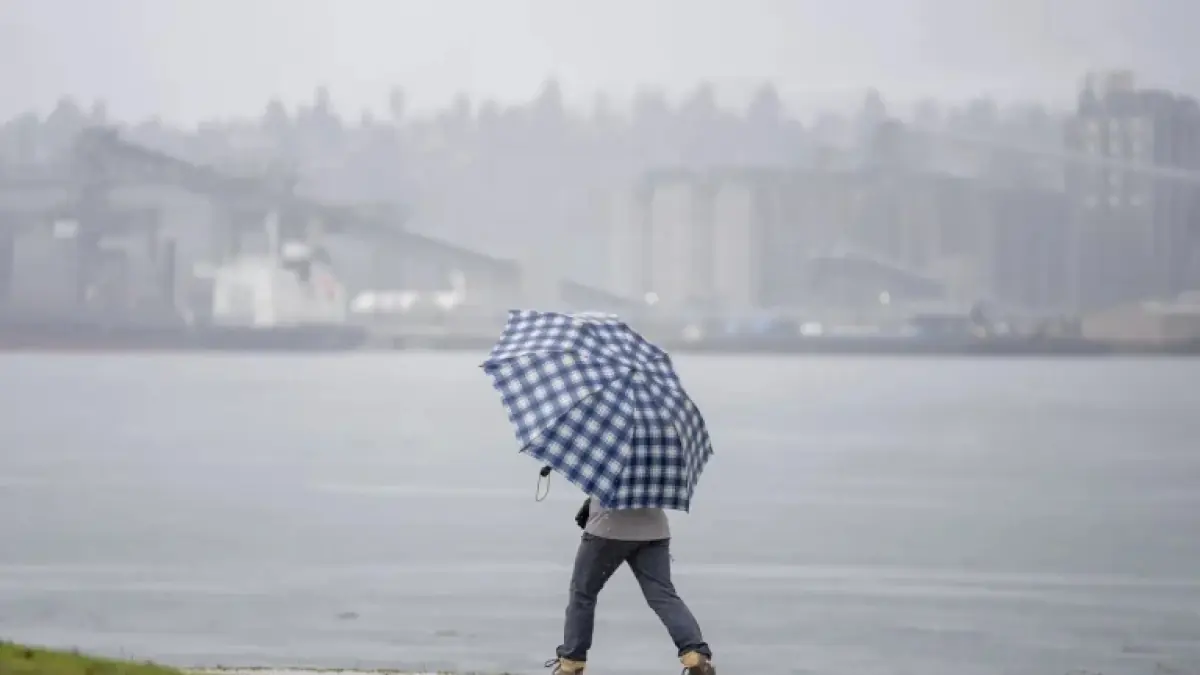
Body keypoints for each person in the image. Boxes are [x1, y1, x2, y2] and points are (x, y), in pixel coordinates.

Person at [546, 497, 715, 674]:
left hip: (606, 530)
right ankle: (694, 653)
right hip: (654, 531)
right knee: (663, 595)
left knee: (583, 594)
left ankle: (572, 662)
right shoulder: (656, 476)